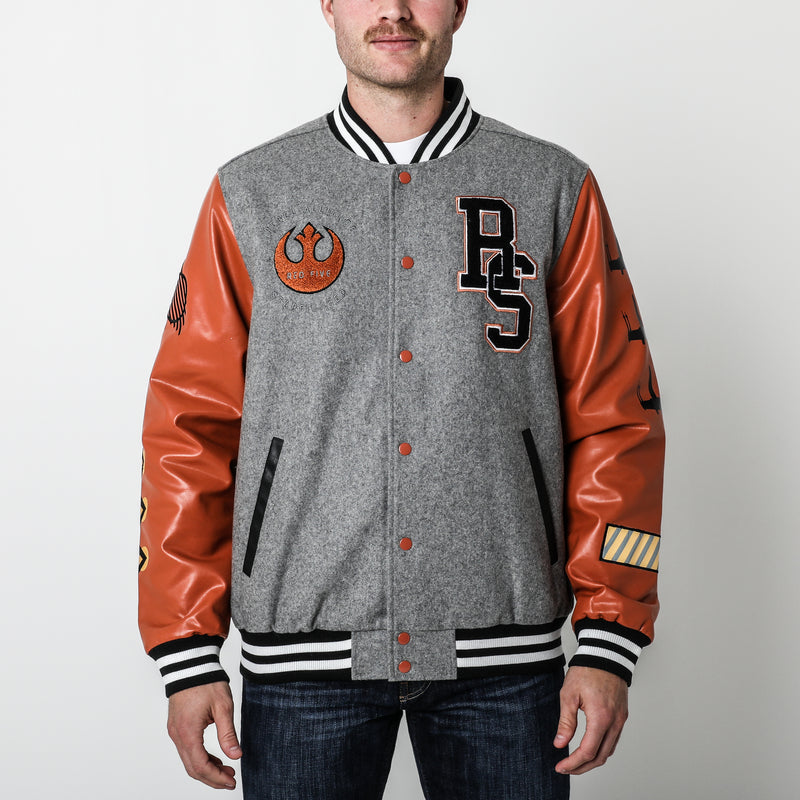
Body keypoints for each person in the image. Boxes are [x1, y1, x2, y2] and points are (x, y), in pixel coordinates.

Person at [138, 1, 665, 797]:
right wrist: (187, 649)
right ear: (327, 5)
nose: (392, 9)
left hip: (509, 664)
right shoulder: (252, 193)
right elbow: (189, 426)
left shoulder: (552, 187)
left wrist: (608, 637)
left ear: (459, 5)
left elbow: (619, 420)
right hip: (300, 663)